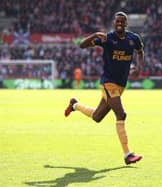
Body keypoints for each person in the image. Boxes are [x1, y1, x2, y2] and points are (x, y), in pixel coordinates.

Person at [64, 11, 144, 165]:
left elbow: (140, 52)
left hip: (121, 85)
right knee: (121, 114)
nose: (119, 24)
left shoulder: (134, 39)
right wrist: (94, 35)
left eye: (122, 21)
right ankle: (127, 154)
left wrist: (139, 68)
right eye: (117, 22)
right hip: (108, 83)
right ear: (114, 23)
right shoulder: (107, 39)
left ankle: (74, 105)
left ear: (126, 24)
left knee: (97, 117)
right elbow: (82, 45)